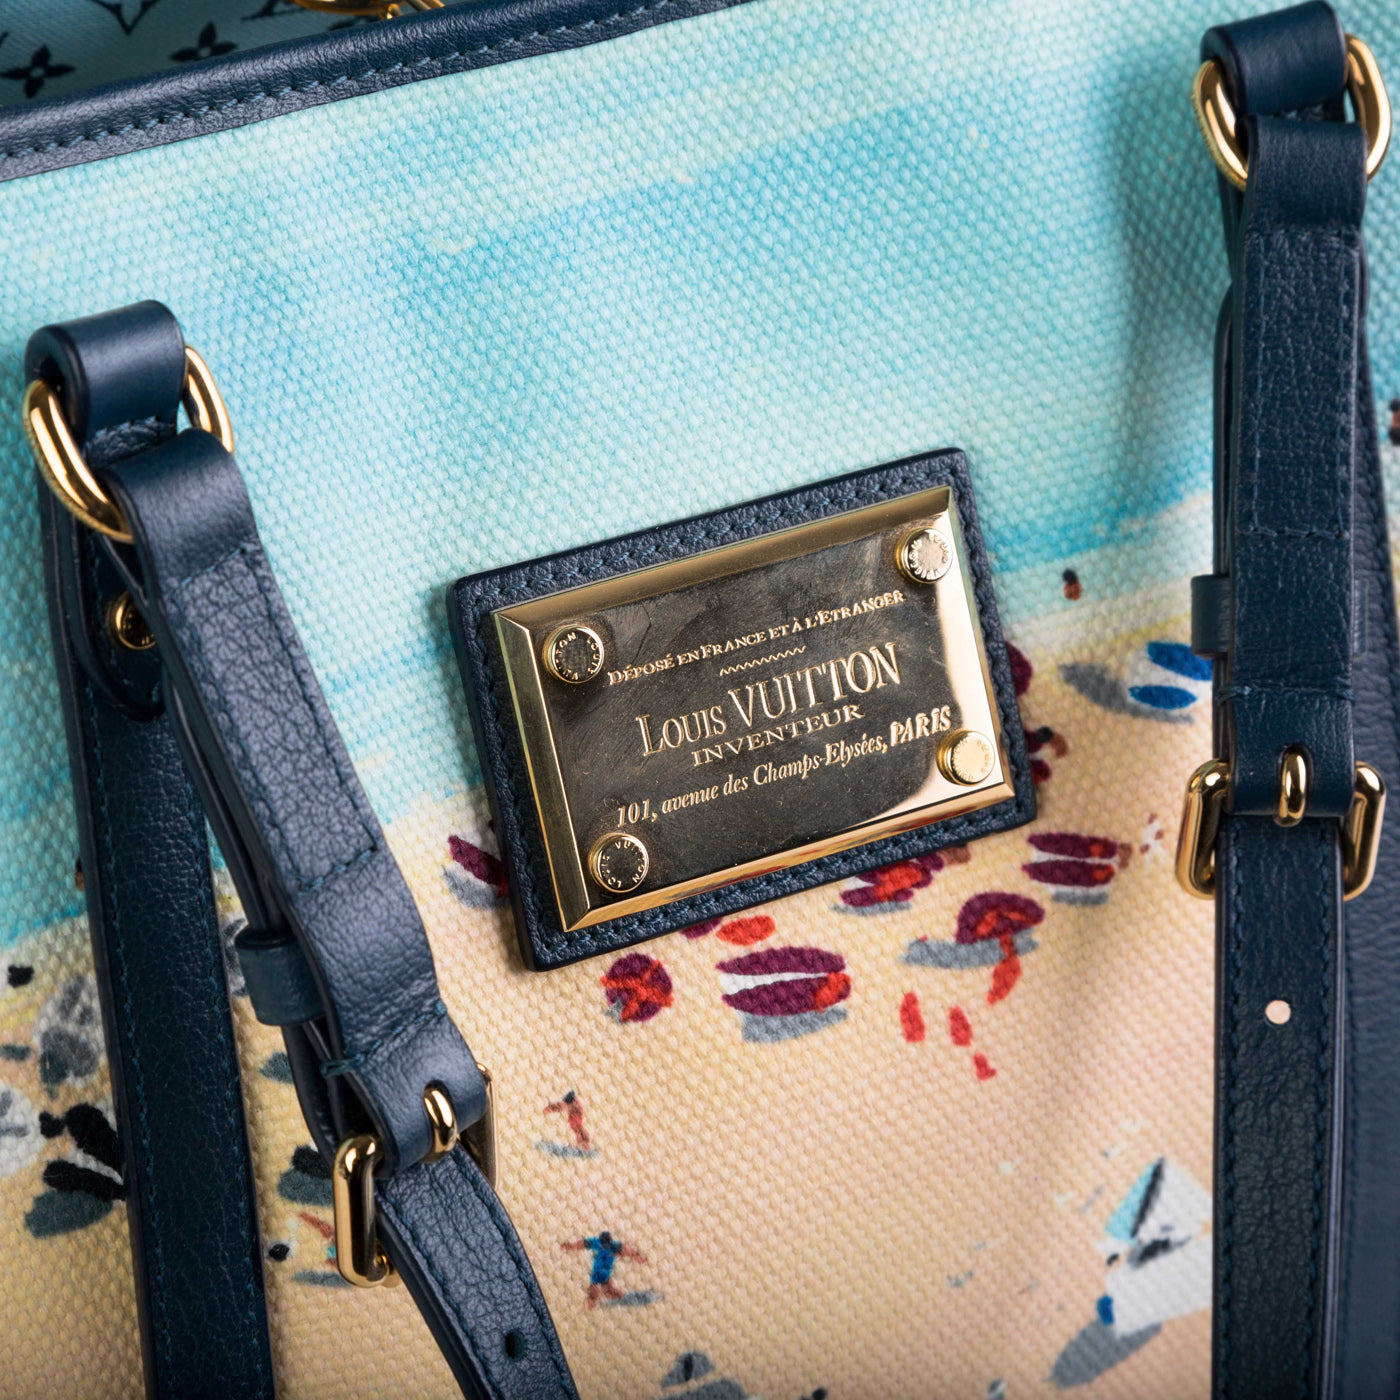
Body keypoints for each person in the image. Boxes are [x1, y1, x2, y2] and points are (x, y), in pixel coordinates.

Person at [561, 1231, 647, 1308]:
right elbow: (627, 1251)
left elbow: (582, 1243)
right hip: (603, 1272)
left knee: (600, 1289)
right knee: (605, 1289)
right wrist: (636, 1256)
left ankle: (596, 1300)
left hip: (598, 1272)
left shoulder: (599, 1243)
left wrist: (570, 1246)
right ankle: (616, 1296)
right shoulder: (612, 1246)